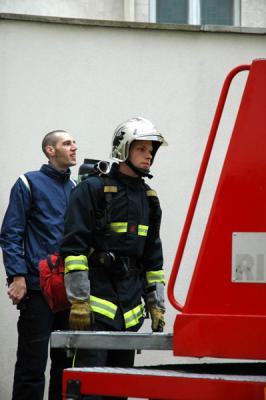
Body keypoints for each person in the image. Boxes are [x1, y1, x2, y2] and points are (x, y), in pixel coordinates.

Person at [60, 117, 167, 396]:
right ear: (123, 149)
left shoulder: (149, 198)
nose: (149, 156)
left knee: (120, 388)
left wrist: (156, 305)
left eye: (152, 150)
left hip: (129, 312)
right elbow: (73, 249)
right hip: (95, 307)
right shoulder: (93, 190)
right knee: (90, 388)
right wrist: (79, 302)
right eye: (142, 149)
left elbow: (152, 258)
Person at [0, 130, 78, 400]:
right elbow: (11, 233)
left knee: (65, 365)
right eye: (67, 143)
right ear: (50, 150)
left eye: (74, 142)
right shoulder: (28, 182)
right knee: (32, 366)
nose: (74, 147)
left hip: (68, 291)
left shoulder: (76, 188)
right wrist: (16, 276)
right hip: (36, 289)